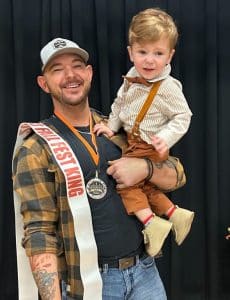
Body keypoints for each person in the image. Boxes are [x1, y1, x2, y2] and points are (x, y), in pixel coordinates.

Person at [13, 37, 186, 300]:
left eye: (77, 65)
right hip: (90, 284)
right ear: (43, 83)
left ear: (89, 73)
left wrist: (144, 169)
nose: (70, 75)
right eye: (57, 69)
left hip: (145, 272)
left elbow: (177, 175)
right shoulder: (36, 147)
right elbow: (39, 233)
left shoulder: (117, 129)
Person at [94, 8, 194, 257]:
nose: (149, 60)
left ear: (170, 55)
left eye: (158, 53)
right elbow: (120, 104)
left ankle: (152, 223)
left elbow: (183, 116)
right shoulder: (131, 76)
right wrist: (111, 127)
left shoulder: (168, 87)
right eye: (142, 52)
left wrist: (166, 138)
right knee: (146, 188)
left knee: (125, 184)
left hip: (149, 145)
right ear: (130, 53)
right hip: (134, 139)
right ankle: (176, 214)